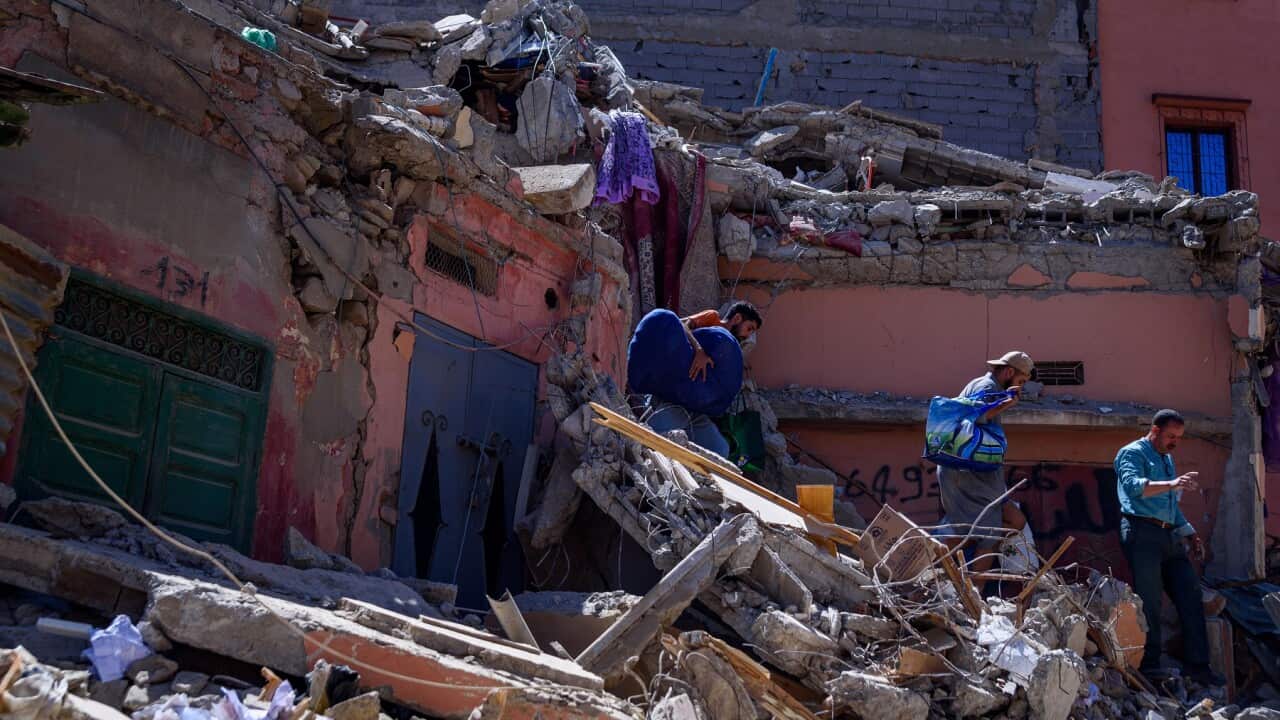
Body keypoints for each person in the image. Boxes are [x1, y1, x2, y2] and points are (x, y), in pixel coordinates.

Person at [1114, 410, 1223, 685]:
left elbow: (1171, 505)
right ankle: (1150, 667)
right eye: (1171, 436)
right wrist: (1172, 483)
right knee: (1149, 601)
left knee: (1190, 594)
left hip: (1169, 536)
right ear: (1154, 430)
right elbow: (1134, 487)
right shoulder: (1132, 453)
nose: (1175, 442)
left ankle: (1198, 666)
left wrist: (1189, 532)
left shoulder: (1167, 458)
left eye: (1179, 438)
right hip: (1142, 532)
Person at [937, 351, 1033, 574]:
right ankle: (969, 585)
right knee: (988, 532)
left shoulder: (983, 385)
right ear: (1009, 372)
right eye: (1020, 381)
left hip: (972, 471)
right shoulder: (989, 388)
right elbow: (974, 417)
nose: (1020, 387)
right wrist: (1005, 404)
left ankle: (956, 563)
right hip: (969, 472)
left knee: (1010, 522)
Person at [644, 301, 762, 458]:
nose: (748, 335)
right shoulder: (712, 318)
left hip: (696, 410)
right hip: (674, 400)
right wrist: (699, 350)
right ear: (737, 318)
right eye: (749, 328)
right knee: (654, 441)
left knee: (720, 451)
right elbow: (682, 325)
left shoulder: (728, 347)